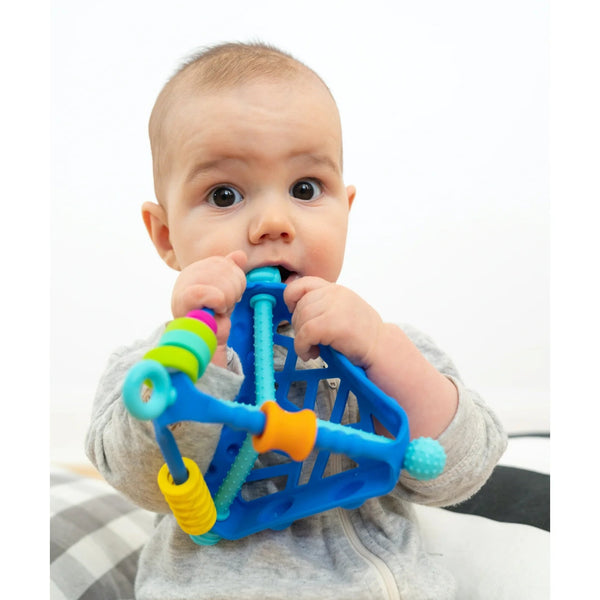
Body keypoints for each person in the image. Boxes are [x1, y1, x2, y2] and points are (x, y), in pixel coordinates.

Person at [86, 41, 507, 600]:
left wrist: (384, 353)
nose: (273, 223)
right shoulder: (148, 366)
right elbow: (139, 477)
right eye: (224, 194)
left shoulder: (380, 346)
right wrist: (200, 351)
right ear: (166, 237)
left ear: (346, 210)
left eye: (306, 189)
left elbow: (459, 472)